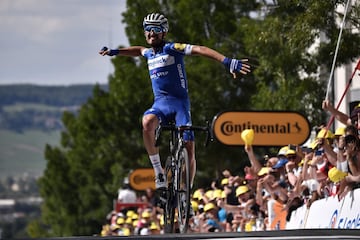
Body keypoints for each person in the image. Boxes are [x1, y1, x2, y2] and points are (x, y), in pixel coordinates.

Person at [99, 13, 251, 190]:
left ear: (164, 32)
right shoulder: (148, 54)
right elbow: (137, 50)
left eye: (155, 29)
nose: (151, 33)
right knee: (147, 122)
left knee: (189, 149)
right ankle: (158, 171)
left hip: (180, 104)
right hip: (160, 104)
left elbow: (199, 49)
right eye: (147, 29)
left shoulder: (172, 48)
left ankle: (187, 191)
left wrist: (226, 61)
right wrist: (115, 52)